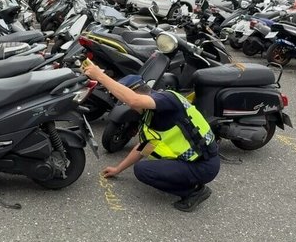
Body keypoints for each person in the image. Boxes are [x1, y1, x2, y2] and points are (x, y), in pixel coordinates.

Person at [82, 64, 220, 211]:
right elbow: (144, 147)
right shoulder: (150, 115)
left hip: (204, 165)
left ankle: (194, 192)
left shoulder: (168, 99)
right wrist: (118, 169)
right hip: (191, 161)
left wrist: (100, 76)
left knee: (144, 170)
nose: (130, 108)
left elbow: (134, 100)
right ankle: (186, 179)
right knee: (143, 167)